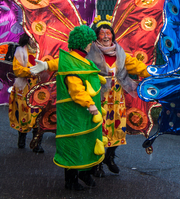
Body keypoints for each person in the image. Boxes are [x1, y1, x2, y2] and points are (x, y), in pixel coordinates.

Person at [31, 21, 152, 177]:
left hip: (116, 100)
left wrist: (155, 72)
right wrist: (47, 66)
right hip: (97, 98)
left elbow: (138, 66)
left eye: (109, 33)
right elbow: (68, 63)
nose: (106, 36)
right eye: (102, 33)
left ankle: (109, 157)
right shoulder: (89, 52)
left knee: (117, 130)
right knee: (98, 131)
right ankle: (96, 164)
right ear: (96, 36)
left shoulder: (120, 53)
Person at [54, 25, 105, 190]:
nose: (91, 45)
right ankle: (71, 180)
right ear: (84, 43)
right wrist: (90, 104)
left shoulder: (84, 61)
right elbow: (76, 89)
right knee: (74, 143)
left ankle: (84, 172)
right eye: (89, 42)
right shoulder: (72, 61)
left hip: (83, 114)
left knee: (87, 141)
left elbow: (88, 77)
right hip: (75, 113)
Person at [8, 33, 44, 153]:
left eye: (36, 38)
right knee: (24, 114)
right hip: (24, 89)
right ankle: (21, 139)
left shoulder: (43, 51)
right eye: (32, 38)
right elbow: (17, 70)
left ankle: (36, 143)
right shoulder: (20, 51)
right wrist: (31, 71)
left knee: (39, 115)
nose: (34, 41)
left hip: (40, 89)